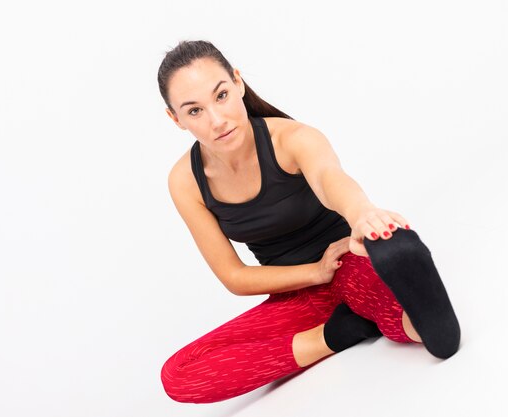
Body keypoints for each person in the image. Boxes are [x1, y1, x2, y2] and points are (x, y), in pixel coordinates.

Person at [156, 40, 460, 404]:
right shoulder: (185, 181)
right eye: (194, 111)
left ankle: (425, 321)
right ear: (175, 119)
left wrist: (361, 213)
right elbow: (233, 276)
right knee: (179, 375)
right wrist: (315, 273)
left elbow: (330, 179)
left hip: (348, 261)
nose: (216, 120)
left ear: (237, 83)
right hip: (295, 293)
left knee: (397, 308)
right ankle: (336, 334)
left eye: (220, 95)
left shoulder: (292, 138)